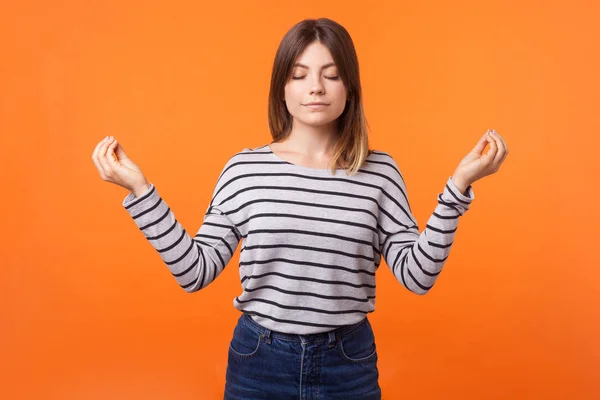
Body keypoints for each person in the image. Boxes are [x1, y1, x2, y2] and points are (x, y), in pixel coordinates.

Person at [91, 17, 508, 400]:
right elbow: (194, 271)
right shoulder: (245, 170)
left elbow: (417, 277)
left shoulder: (380, 172)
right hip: (259, 360)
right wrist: (140, 192)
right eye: (300, 75)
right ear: (282, 87)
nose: (316, 88)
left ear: (350, 88)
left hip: (349, 362)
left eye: (331, 75)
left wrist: (458, 187)